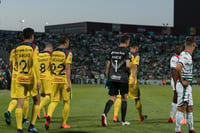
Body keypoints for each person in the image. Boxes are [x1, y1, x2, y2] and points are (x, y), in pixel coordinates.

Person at [14, 28, 40, 133]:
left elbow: (15, 64)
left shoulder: (16, 48)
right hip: (30, 79)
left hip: (19, 78)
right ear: (32, 36)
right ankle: (32, 126)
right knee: (37, 100)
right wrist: (38, 80)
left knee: (19, 103)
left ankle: (19, 129)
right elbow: (35, 64)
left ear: (23, 36)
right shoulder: (34, 47)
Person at [113, 42, 147, 122]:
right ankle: (140, 116)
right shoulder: (136, 55)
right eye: (137, 48)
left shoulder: (123, 53)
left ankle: (115, 116)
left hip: (122, 78)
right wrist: (134, 79)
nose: (138, 49)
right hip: (131, 79)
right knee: (137, 98)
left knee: (119, 97)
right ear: (134, 47)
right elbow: (134, 67)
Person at [102, 34, 131, 126]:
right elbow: (127, 65)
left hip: (113, 77)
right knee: (124, 98)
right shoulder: (127, 52)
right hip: (122, 78)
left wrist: (108, 75)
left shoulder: (112, 51)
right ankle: (123, 121)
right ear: (127, 41)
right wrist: (128, 72)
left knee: (112, 98)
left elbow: (108, 65)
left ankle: (104, 114)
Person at [45, 34, 72, 129]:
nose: (69, 43)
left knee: (54, 101)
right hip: (63, 79)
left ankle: (48, 115)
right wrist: (68, 83)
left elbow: (50, 66)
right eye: (68, 42)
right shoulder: (67, 52)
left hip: (55, 79)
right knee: (66, 102)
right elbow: (68, 69)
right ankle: (63, 123)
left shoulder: (53, 52)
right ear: (65, 42)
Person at [175, 36, 196, 133]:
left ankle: (191, 129)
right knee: (182, 106)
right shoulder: (185, 55)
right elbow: (178, 68)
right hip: (183, 85)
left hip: (187, 86)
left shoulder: (186, 55)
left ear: (184, 44)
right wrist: (182, 80)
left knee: (189, 107)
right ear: (194, 45)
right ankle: (177, 130)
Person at [4, 48, 30, 126]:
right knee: (25, 98)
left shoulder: (13, 51)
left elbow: (10, 64)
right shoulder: (26, 50)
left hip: (14, 77)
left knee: (15, 98)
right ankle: (24, 118)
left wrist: (13, 73)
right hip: (23, 76)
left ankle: (9, 111)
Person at [168, 43, 186, 124]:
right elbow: (173, 70)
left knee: (177, 98)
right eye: (176, 48)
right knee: (180, 97)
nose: (177, 49)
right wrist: (176, 83)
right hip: (175, 80)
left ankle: (171, 117)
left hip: (182, 80)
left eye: (179, 48)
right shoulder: (174, 58)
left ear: (182, 48)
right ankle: (180, 118)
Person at [37, 42, 53, 119]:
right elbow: (52, 66)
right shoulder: (49, 55)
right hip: (47, 76)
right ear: (50, 48)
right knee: (48, 96)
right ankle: (38, 109)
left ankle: (45, 113)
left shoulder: (38, 55)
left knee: (42, 95)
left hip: (40, 76)